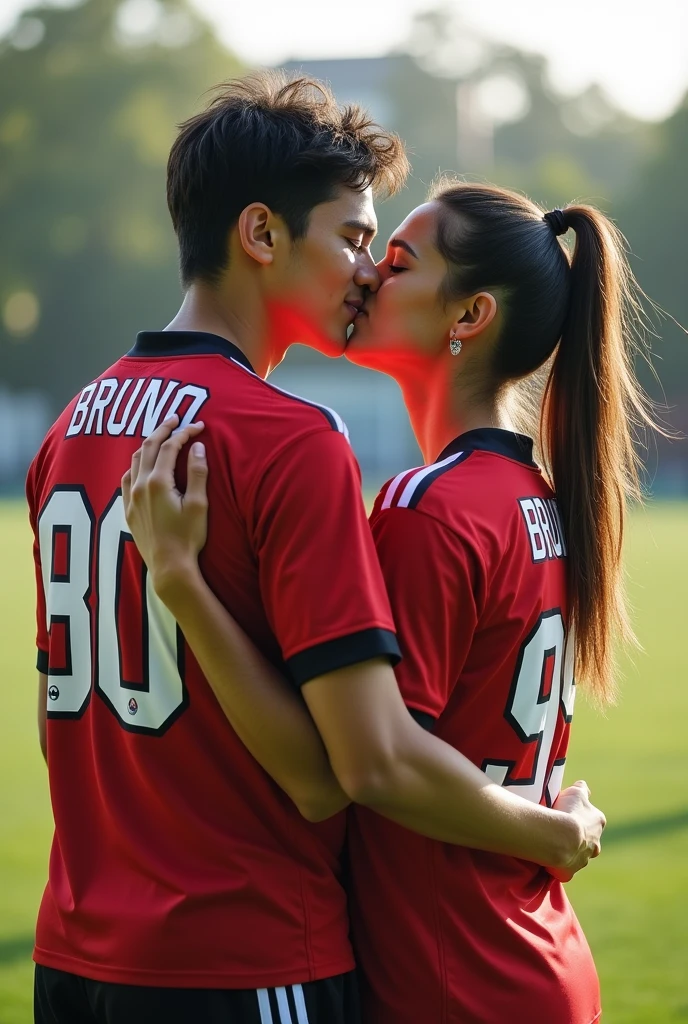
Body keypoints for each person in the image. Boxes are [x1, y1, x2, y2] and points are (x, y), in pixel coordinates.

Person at [27, 72, 602, 1024]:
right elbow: (336, 776)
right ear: (261, 235)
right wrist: (548, 831)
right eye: (355, 238)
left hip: (76, 949)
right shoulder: (294, 439)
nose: (368, 271)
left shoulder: (71, 429)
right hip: (244, 951)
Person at [123, 181, 654, 1023]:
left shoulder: (427, 509)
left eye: (398, 262)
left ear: (468, 317)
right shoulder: (532, 495)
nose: (367, 275)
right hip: (529, 954)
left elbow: (372, 763)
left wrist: (182, 582)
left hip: (452, 976)